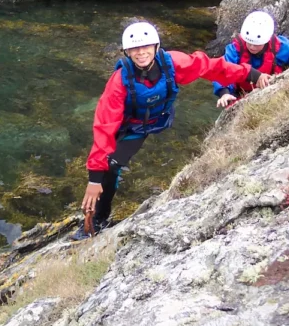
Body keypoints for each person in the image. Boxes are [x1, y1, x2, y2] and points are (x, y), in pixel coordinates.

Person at [73, 21, 273, 239]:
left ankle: (100, 219)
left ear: (156, 47)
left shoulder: (173, 64)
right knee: (105, 167)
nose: (141, 53)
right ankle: (99, 217)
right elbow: (104, 127)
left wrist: (251, 74)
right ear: (127, 52)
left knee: (111, 165)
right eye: (134, 49)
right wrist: (94, 179)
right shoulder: (119, 82)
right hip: (124, 124)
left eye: (146, 47)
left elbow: (213, 67)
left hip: (141, 128)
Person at [213, 11, 289, 108]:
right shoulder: (235, 49)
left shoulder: (280, 47)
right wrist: (224, 93)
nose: (252, 47)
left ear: (266, 40)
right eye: (249, 42)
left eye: (256, 44)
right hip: (239, 98)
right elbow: (222, 69)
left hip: (270, 95)